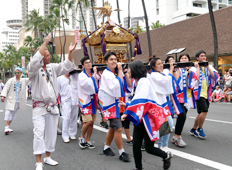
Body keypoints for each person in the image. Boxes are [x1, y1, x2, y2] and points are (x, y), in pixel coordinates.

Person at [27, 34, 76, 170]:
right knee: (38, 133)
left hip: (53, 106)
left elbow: (67, 66)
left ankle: (47, 157)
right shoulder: (33, 71)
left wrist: (70, 53)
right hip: (39, 107)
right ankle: (38, 162)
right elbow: (32, 63)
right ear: (40, 57)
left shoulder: (52, 67)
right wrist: (45, 44)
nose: (49, 57)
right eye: (46, 55)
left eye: (49, 55)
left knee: (51, 133)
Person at [120, 60, 172, 170]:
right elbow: (137, 99)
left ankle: (166, 156)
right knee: (136, 145)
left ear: (135, 70)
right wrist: (127, 104)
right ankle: (139, 168)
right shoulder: (138, 82)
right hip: (142, 118)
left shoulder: (144, 81)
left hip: (149, 118)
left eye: (129, 68)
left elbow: (141, 99)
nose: (127, 71)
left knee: (149, 148)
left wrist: (126, 112)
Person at [99, 52, 131, 162]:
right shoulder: (107, 74)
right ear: (106, 61)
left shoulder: (113, 73)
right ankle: (121, 152)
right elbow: (115, 85)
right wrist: (120, 71)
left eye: (115, 59)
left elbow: (127, 85)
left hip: (114, 104)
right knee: (118, 128)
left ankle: (106, 147)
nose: (114, 61)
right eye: (111, 59)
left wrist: (122, 72)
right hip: (110, 105)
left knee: (113, 128)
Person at [171, 54, 199, 148]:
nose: (184, 59)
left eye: (186, 58)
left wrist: (193, 69)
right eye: (182, 58)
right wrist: (177, 69)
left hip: (187, 97)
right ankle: (177, 136)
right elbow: (176, 80)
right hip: (178, 97)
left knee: (182, 117)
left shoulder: (190, 71)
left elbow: (196, 80)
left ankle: (176, 135)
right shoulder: (177, 69)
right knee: (182, 116)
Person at [189, 50, 218, 139]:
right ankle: (200, 128)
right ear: (197, 58)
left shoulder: (208, 67)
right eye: (201, 56)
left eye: (204, 56)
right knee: (204, 111)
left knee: (201, 113)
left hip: (206, 93)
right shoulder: (193, 68)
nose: (204, 57)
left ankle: (193, 129)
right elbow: (195, 78)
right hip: (198, 93)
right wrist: (197, 67)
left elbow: (214, 76)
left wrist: (208, 67)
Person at [148, 58, 174, 153]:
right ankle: (162, 145)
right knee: (168, 124)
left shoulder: (160, 74)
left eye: (161, 63)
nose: (161, 65)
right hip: (158, 103)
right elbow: (166, 81)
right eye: (158, 64)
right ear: (153, 67)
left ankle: (162, 145)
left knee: (167, 124)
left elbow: (167, 80)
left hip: (163, 102)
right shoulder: (154, 75)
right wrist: (171, 70)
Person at [78, 57, 100, 149]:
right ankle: (82, 137)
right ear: (83, 66)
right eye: (86, 63)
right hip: (85, 101)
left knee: (92, 123)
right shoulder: (81, 75)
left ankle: (88, 140)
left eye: (90, 62)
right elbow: (88, 84)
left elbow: (100, 80)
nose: (89, 64)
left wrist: (98, 73)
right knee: (88, 121)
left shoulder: (93, 74)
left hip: (93, 101)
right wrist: (95, 74)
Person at [1, 67, 30, 135]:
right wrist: (3, 96)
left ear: (20, 73)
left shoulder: (23, 80)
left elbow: (31, 80)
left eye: (18, 72)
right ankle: (6, 128)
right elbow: (6, 88)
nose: (17, 74)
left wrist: (28, 74)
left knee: (13, 115)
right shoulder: (10, 80)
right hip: (10, 99)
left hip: (18, 101)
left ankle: (7, 127)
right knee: (8, 113)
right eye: (16, 72)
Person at [57, 72, 79, 143]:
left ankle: (72, 133)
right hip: (65, 100)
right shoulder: (60, 79)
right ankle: (65, 135)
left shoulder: (75, 76)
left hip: (75, 100)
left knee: (74, 117)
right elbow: (57, 91)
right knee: (66, 118)